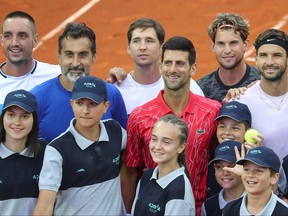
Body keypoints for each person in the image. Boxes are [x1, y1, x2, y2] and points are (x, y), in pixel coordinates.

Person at [121, 36, 221, 215]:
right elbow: (129, 170)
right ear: (160, 67)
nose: (173, 70)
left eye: (180, 64)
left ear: (193, 69)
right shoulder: (139, 116)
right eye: (167, 63)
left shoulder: (212, 111)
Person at [33, 76, 127, 215]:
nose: (85, 111)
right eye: (80, 103)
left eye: (92, 104)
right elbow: (45, 207)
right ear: (72, 104)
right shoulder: (56, 150)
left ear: (106, 106)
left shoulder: (116, 131)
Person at [31, 22, 127, 143]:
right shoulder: (37, 98)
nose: (75, 63)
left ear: (94, 57)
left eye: (83, 55)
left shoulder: (112, 95)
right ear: (59, 57)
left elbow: (123, 148)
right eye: (69, 55)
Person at [107, 18, 204, 114]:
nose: (143, 47)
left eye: (149, 41)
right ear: (128, 48)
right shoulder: (116, 91)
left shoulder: (187, 86)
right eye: (136, 41)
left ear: (161, 48)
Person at [234, 29, 288, 162]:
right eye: (263, 55)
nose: (270, 62)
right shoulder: (242, 101)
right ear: (256, 59)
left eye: (277, 55)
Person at [131, 114, 195, 215]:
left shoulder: (179, 191)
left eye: (166, 142)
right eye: (154, 139)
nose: (157, 146)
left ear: (181, 147)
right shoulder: (147, 176)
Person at [0, 11, 60, 111]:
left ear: (35, 40)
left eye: (22, 35)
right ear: (2, 40)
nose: (14, 43)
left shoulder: (57, 76)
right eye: (8, 36)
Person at [0, 89, 46, 215]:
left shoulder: (47, 153)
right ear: (2, 117)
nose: (17, 122)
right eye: (11, 115)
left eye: (25, 116)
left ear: (34, 120)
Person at [197, 13, 260, 102]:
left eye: (233, 43)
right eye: (221, 44)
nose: (227, 50)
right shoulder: (201, 90)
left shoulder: (262, 82)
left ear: (245, 45)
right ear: (213, 46)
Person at [207, 100, 264, 198]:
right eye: (222, 126)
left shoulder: (260, 159)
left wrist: (255, 159)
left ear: (248, 132)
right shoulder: (210, 158)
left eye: (235, 128)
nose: (227, 132)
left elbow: (270, 193)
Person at [223, 146, 288, 215]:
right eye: (246, 169)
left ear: (274, 178)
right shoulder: (230, 208)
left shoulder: (284, 212)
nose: (250, 175)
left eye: (258, 171)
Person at [202, 140, 245, 216]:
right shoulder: (208, 206)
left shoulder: (258, 200)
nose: (225, 172)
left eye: (232, 166)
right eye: (219, 167)